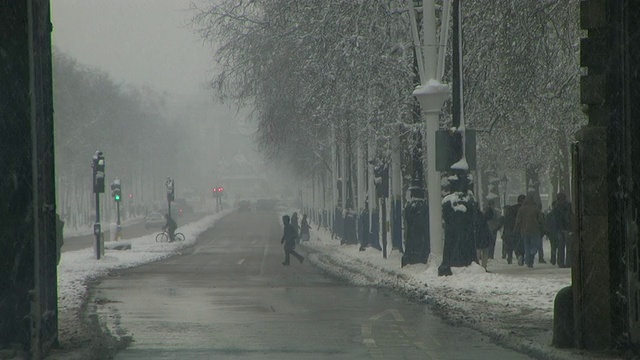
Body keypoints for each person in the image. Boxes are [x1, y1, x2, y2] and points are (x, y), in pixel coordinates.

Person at [514, 193, 546, 268]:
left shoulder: (521, 209)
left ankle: (528, 261)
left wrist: (516, 229)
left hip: (524, 230)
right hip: (535, 230)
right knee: (535, 245)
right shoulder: (536, 208)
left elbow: (518, 221)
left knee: (526, 246)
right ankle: (531, 255)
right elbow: (541, 220)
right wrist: (544, 228)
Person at [499, 194, 525, 265]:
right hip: (519, 229)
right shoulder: (523, 209)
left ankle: (509, 257)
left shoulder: (511, 209)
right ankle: (519, 256)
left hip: (509, 229)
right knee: (519, 244)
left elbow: (504, 220)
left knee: (509, 245)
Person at [551, 192, 572, 268]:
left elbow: (554, 218)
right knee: (568, 246)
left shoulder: (556, 206)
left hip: (559, 228)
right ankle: (568, 262)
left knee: (560, 246)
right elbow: (569, 217)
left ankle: (560, 262)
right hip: (567, 228)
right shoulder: (568, 205)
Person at [474, 207, 493, 271]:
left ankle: (477, 267)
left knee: (477, 253)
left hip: (477, 238)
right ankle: (484, 267)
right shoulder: (483, 216)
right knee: (485, 253)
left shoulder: (473, 217)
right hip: (484, 237)